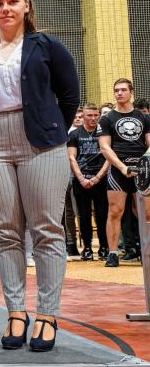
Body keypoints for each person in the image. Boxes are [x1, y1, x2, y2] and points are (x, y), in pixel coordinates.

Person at [0, 0, 79, 352]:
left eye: (13, 1)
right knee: (5, 232)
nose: (6, 8)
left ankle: (47, 314)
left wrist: (50, 129)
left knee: (47, 230)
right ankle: (16, 311)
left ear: (26, 5)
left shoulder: (48, 45)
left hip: (42, 141)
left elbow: (69, 96)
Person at [98, 78, 150, 267]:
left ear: (131, 92)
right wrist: (122, 167)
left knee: (146, 213)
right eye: (116, 90)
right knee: (115, 211)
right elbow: (105, 147)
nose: (119, 93)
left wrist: (143, 164)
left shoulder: (144, 118)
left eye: (123, 90)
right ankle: (113, 253)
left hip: (142, 171)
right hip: (119, 171)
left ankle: (147, 253)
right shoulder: (107, 119)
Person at [67, 103, 109, 261]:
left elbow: (109, 156)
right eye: (89, 115)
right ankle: (87, 248)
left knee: (102, 214)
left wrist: (98, 177)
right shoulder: (74, 134)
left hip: (101, 179)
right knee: (83, 215)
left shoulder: (104, 133)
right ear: (83, 116)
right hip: (81, 180)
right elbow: (72, 157)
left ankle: (104, 247)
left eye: (96, 115)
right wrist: (81, 178)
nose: (93, 118)